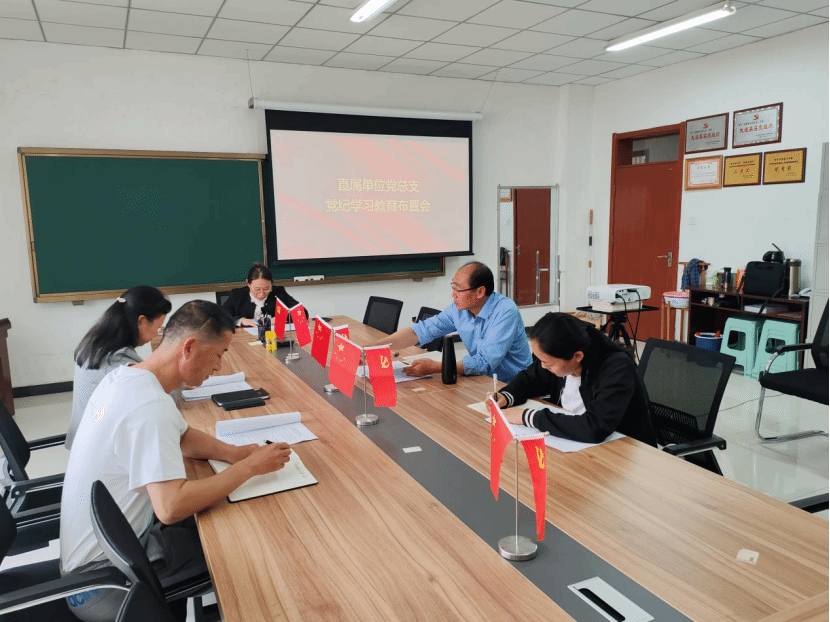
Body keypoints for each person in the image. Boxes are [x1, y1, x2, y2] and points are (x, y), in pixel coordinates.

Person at [59, 300, 292, 621]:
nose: (218, 366)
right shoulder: (148, 404)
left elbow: (184, 437)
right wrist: (248, 468)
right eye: (219, 354)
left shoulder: (127, 377)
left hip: (108, 556)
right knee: (258, 553)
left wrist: (234, 452)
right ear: (189, 347)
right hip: (106, 584)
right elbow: (170, 507)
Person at [495, 312, 657, 446]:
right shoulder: (560, 356)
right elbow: (530, 378)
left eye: (548, 363)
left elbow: (594, 427)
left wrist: (529, 417)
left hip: (626, 452)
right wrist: (506, 396)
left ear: (577, 356)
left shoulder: (616, 367)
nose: (543, 366)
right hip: (579, 447)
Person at [374, 262, 531, 384]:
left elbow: (484, 363)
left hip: (514, 386)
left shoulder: (505, 311)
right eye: (452, 287)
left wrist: (436, 367)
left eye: (459, 290)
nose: (453, 294)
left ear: (480, 292)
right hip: (481, 381)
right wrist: (371, 349)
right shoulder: (459, 310)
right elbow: (420, 331)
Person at [66, 286, 172, 450]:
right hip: (97, 451)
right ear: (142, 321)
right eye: (158, 328)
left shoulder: (98, 339)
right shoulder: (116, 359)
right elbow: (159, 393)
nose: (156, 335)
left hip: (89, 439)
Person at [222, 262, 306, 327]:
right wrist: (242, 321)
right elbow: (221, 317)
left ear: (271, 284)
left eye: (266, 289)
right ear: (249, 284)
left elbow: (302, 312)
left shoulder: (279, 292)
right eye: (257, 289)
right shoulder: (237, 295)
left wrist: (282, 317)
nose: (261, 294)